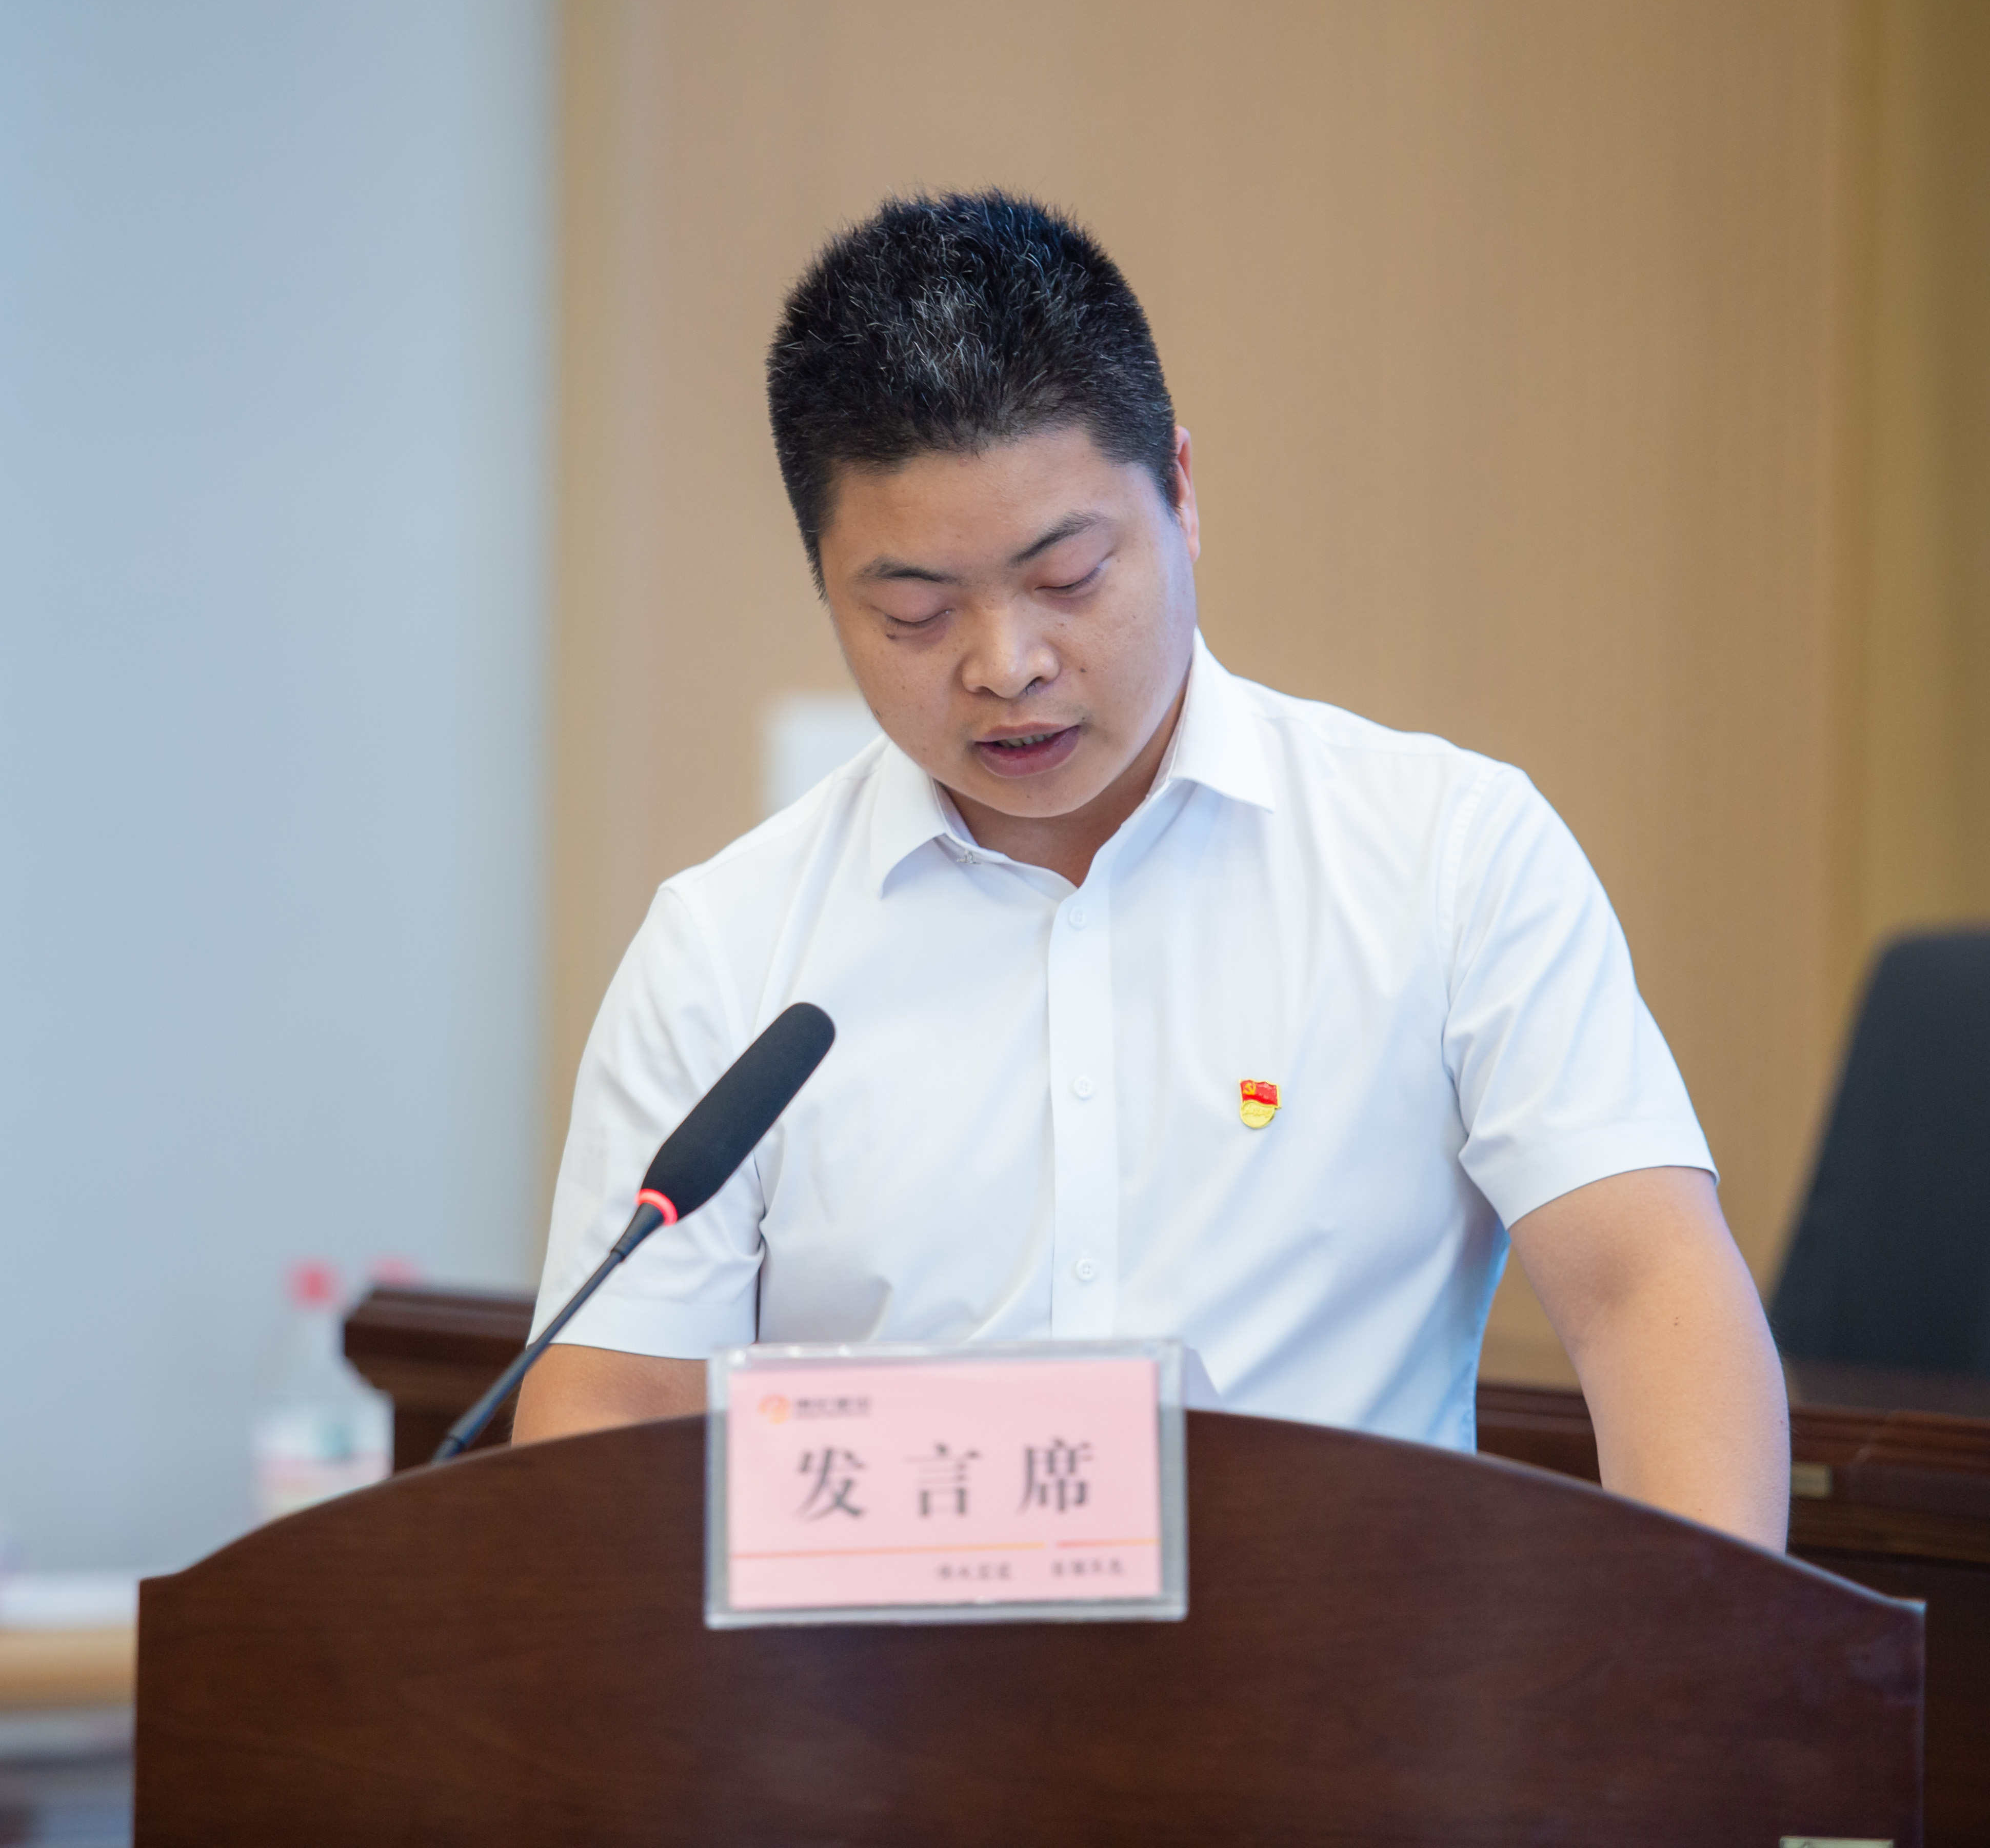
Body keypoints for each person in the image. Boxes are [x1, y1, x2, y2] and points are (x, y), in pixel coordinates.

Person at [515, 190, 1788, 1549]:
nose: (1006, 665)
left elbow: (1646, 1292)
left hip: (1342, 1668)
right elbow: (615, 1406)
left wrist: (1697, 1667)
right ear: (825, 584)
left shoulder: (1448, 856)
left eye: (1068, 578)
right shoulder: (727, 947)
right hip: (877, 1681)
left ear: (1180, 491)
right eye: (915, 612)